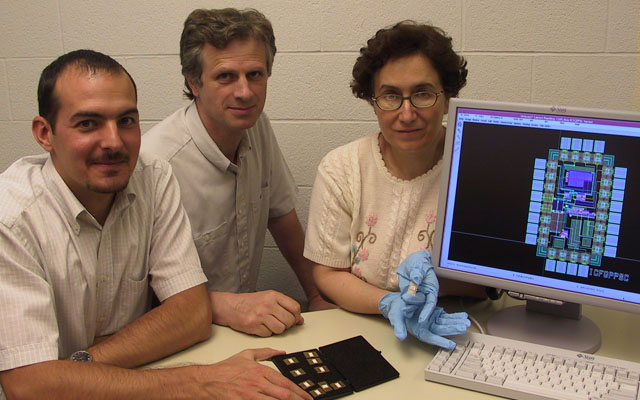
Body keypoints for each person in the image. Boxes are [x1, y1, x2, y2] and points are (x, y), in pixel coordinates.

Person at [0, 49, 311, 400]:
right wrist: (198, 381)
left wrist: (74, 367)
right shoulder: (10, 219)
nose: (114, 142)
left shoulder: (152, 176)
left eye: (126, 121)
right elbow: (27, 386)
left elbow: (192, 314)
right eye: (88, 123)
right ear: (45, 133)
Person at [142, 8, 333, 338]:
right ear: (194, 82)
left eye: (255, 75)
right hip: (173, 332)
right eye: (225, 76)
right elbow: (139, 294)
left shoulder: (256, 127)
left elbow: (281, 216)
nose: (245, 92)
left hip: (241, 327)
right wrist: (225, 306)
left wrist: (317, 295)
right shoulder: (155, 165)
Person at [303, 21, 485, 347]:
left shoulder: (477, 168)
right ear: (372, 101)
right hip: (360, 329)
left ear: (447, 98)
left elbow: (493, 282)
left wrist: (440, 278)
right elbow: (327, 274)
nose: (406, 113)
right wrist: (388, 303)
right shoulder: (341, 168)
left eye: (423, 94)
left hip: (462, 330)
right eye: (390, 96)